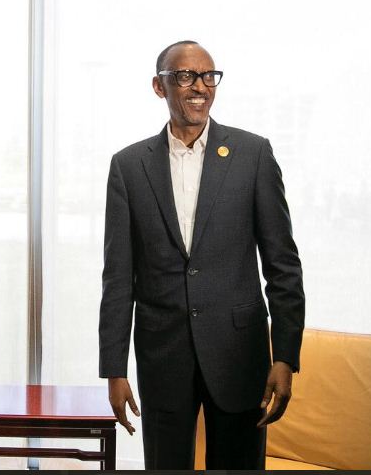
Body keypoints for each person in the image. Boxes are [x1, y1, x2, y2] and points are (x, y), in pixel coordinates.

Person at [98, 40, 304, 470]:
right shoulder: (129, 167)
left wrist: (285, 357)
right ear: (159, 86)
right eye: (185, 76)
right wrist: (114, 369)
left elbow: (282, 265)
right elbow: (118, 278)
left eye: (208, 76)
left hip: (239, 355)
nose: (200, 86)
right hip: (162, 357)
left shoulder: (253, 155)